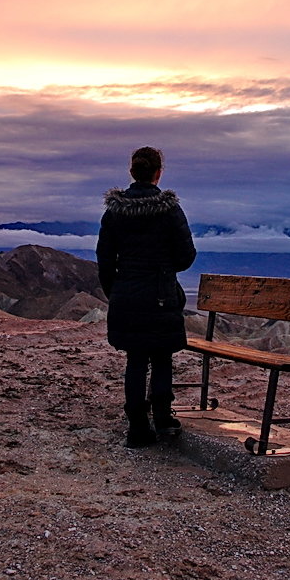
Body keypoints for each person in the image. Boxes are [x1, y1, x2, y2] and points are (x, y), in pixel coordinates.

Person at [96, 146, 197, 447]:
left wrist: (117, 291)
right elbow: (186, 256)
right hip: (161, 295)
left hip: (127, 294)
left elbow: (104, 259)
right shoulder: (170, 210)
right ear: (158, 173)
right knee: (162, 356)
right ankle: (164, 419)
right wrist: (163, 270)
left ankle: (138, 427)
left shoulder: (114, 212)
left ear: (132, 172)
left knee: (136, 359)